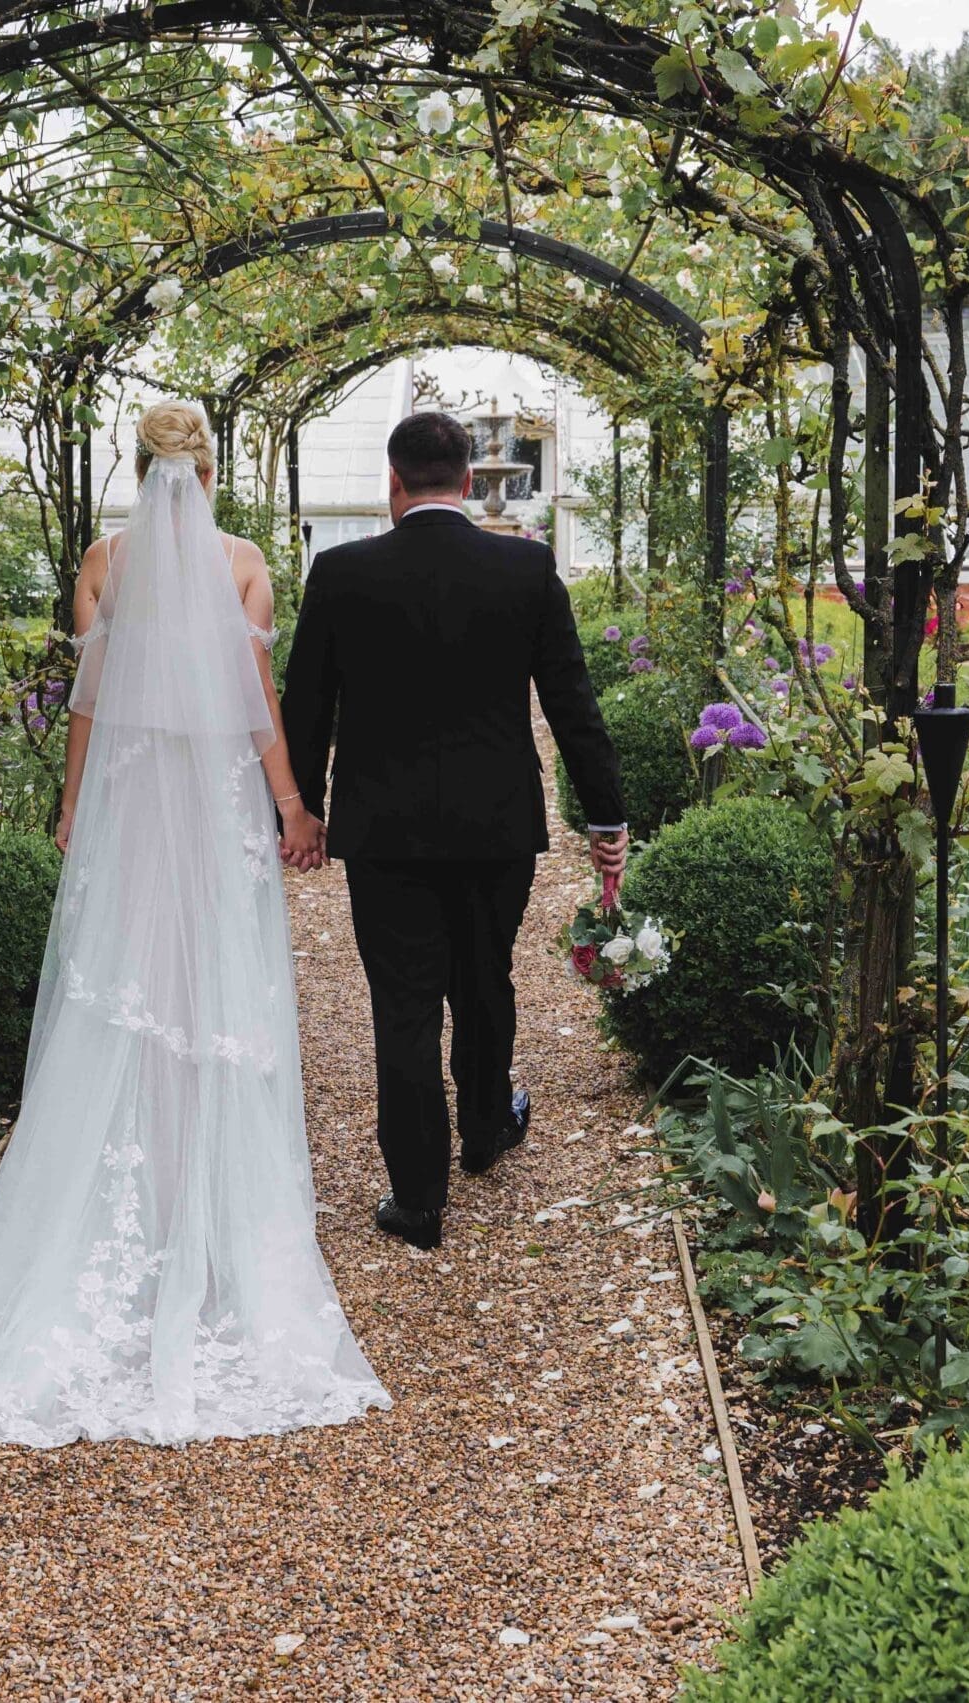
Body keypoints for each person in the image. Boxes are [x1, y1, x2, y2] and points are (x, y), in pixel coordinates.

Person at [0, 401, 390, 1447]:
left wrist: (75, 803)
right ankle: (205, 1207)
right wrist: (292, 804)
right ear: (207, 471)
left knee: (122, 989)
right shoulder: (247, 560)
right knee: (211, 990)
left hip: (131, 803)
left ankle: (125, 1193)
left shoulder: (104, 560)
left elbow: (87, 698)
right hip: (212, 810)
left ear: (135, 470)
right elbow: (257, 700)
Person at [278, 410, 628, 1251]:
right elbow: (573, 706)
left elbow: (306, 707)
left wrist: (301, 811)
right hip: (498, 825)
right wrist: (606, 814)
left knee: (402, 1007)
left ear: (392, 484)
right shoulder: (526, 565)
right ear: (469, 481)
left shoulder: (340, 571)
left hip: (384, 830)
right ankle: (483, 1126)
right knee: (485, 978)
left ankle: (418, 1199)